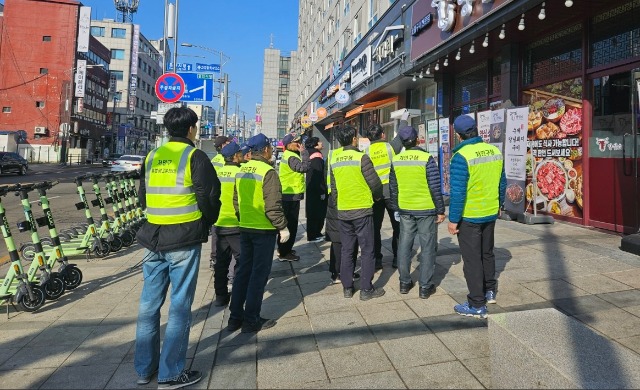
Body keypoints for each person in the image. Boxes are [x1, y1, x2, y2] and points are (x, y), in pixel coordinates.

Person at [135, 107, 221, 389]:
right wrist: (207, 221)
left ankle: (144, 369)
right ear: (191, 129)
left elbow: (142, 197)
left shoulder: (152, 156)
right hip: (183, 238)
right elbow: (209, 196)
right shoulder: (194, 156)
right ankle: (171, 373)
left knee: (148, 305)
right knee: (180, 306)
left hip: (152, 236)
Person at [228, 133, 288, 333]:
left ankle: (234, 317)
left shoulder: (242, 170)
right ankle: (251, 319)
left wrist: (243, 217)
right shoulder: (268, 172)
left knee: (243, 272)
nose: (271, 152)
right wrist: (282, 226)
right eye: (270, 149)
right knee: (258, 275)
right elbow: (273, 205)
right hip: (263, 230)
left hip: (245, 227)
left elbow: (236, 201)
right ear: (265, 150)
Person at [448, 115, 506, 319]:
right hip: (490, 212)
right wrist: (499, 205)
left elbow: (458, 192)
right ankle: (489, 291)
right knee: (487, 253)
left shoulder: (461, 156)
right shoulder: (494, 151)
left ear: (458, 135)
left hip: (470, 216)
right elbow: (502, 182)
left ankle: (477, 304)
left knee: (472, 260)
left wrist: (453, 219)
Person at [330, 126, 385, 300]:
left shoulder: (335, 159)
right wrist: (377, 197)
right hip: (362, 210)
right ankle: (366, 289)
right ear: (354, 139)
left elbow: (334, 188)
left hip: (344, 210)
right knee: (367, 250)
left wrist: (338, 204)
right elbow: (375, 183)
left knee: (347, 249)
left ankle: (347, 287)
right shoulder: (361, 157)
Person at [389, 125, 445, 299]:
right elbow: (435, 186)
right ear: (418, 139)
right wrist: (441, 209)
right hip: (425, 209)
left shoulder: (396, 160)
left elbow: (393, 187)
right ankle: (425, 287)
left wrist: (396, 207)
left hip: (405, 209)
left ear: (401, 142)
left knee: (404, 245)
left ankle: (404, 283)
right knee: (427, 247)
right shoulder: (426, 158)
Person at [212, 142, 244, 307]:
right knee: (241, 260)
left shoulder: (217, 172)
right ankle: (238, 294)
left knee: (221, 262)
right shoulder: (240, 173)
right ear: (234, 156)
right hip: (236, 223)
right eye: (240, 153)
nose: (242, 155)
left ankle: (220, 296)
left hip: (219, 222)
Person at [366, 124, 400, 270]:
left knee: (375, 228)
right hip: (392, 193)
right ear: (383, 135)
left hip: (374, 195)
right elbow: (400, 136)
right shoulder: (390, 147)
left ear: (368, 139)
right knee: (398, 226)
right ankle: (398, 258)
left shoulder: (365, 152)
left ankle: (376, 260)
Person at [325, 144, 359, 284]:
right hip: (350, 199)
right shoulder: (357, 154)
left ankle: (336, 272)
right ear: (353, 139)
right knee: (351, 238)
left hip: (333, 198)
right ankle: (346, 272)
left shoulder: (332, 154)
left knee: (337, 238)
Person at [277, 133, 311, 261]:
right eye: (296, 142)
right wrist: (305, 153)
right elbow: (304, 168)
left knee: (289, 223)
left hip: (289, 194)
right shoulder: (291, 157)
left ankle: (284, 249)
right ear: (289, 144)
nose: (299, 144)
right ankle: (285, 253)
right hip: (290, 195)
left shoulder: (288, 155)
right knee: (290, 224)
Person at [209, 135, 230, 269]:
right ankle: (216, 257)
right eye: (228, 143)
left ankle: (214, 258)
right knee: (219, 231)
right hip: (224, 199)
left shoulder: (214, 160)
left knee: (217, 230)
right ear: (222, 145)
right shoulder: (223, 160)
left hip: (217, 199)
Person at [304, 137, 327, 242]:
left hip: (310, 187)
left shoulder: (307, 153)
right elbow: (319, 175)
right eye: (319, 141)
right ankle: (314, 234)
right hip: (317, 189)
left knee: (311, 213)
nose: (321, 143)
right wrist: (322, 191)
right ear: (315, 144)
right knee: (318, 213)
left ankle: (313, 233)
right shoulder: (317, 156)